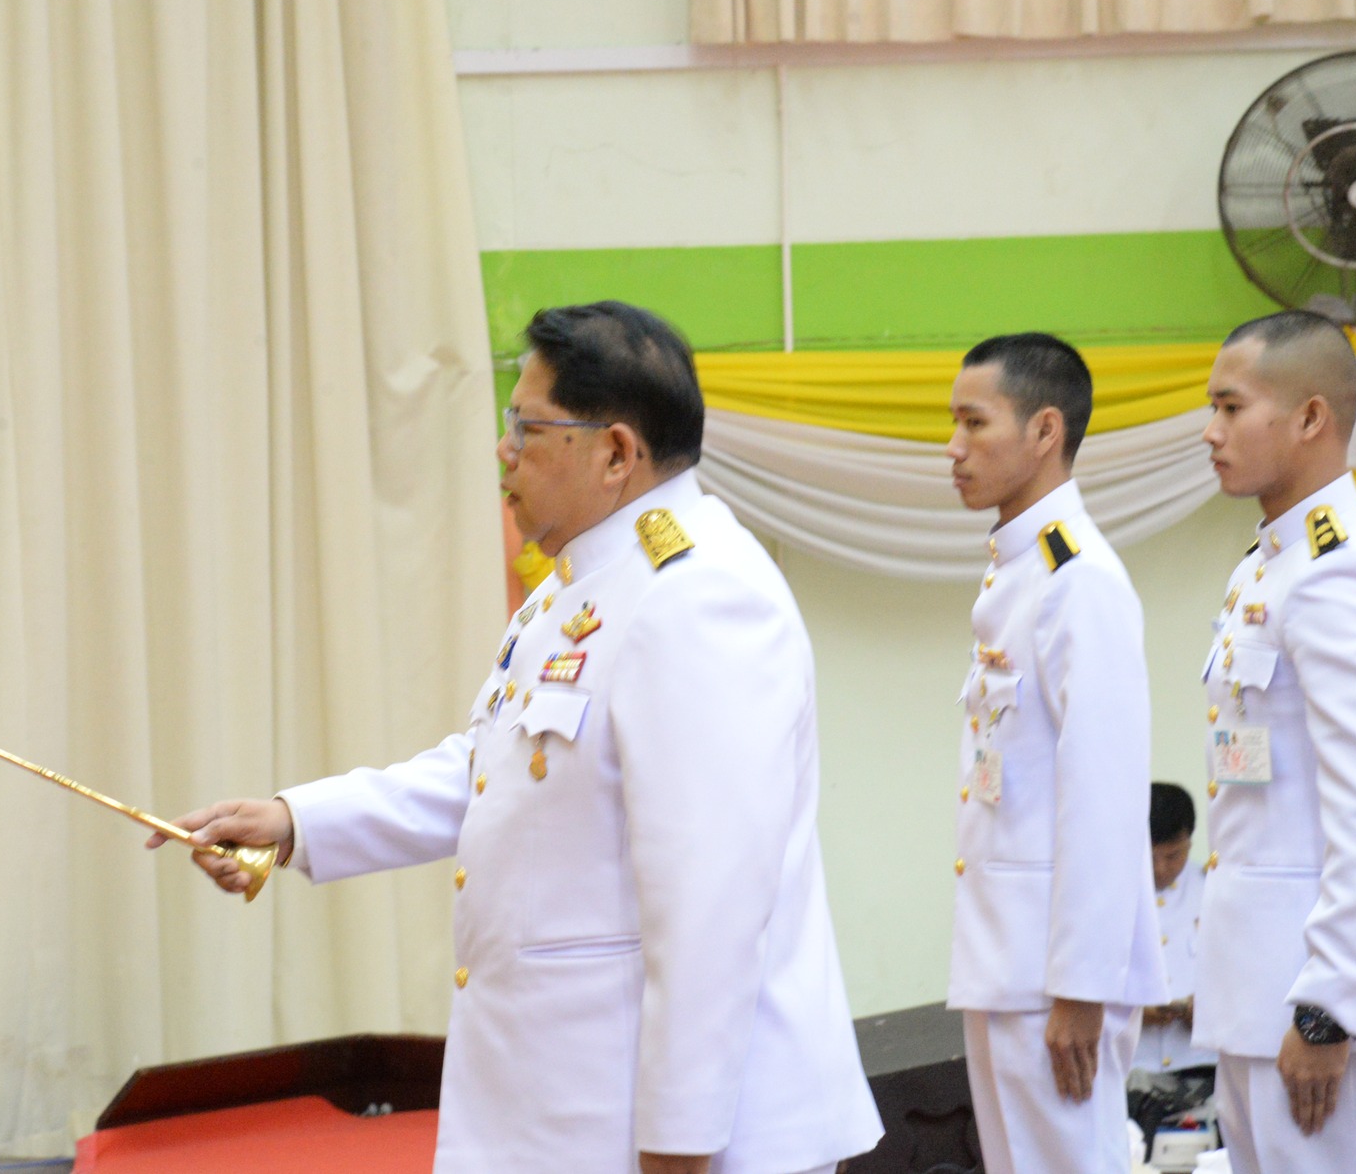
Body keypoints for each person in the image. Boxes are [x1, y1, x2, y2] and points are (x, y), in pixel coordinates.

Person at [155, 301, 883, 1174]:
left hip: (666, 1130)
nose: (504, 451)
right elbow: (493, 770)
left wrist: (681, 1145)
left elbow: (711, 904)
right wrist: (294, 821)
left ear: (615, 452)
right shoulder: (580, 582)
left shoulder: (699, 597)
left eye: (526, 427)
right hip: (564, 1108)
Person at [1195, 310, 1356, 1174]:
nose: (1210, 430)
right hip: (1259, 994)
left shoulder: (1346, 568)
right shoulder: (1267, 566)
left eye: (1232, 407)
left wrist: (1326, 1008)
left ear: (1310, 418)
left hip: (1322, 1008)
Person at [943, 332, 1168, 1174]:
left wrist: (1081, 985)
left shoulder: (1079, 579)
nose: (954, 447)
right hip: (1010, 962)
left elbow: (1105, 797)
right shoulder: (1019, 572)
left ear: (1045, 430)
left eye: (974, 422)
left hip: (1054, 977)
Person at [1133, 782, 1215, 1080]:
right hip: (1130, 1063)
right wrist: (1133, 1013)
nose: (1160, 869)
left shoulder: (1214, 891)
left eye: (1173, 856)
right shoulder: (1109, 895)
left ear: (1190, 843)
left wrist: (1207, 1009)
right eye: (1150, 856)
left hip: (1200, 1063)